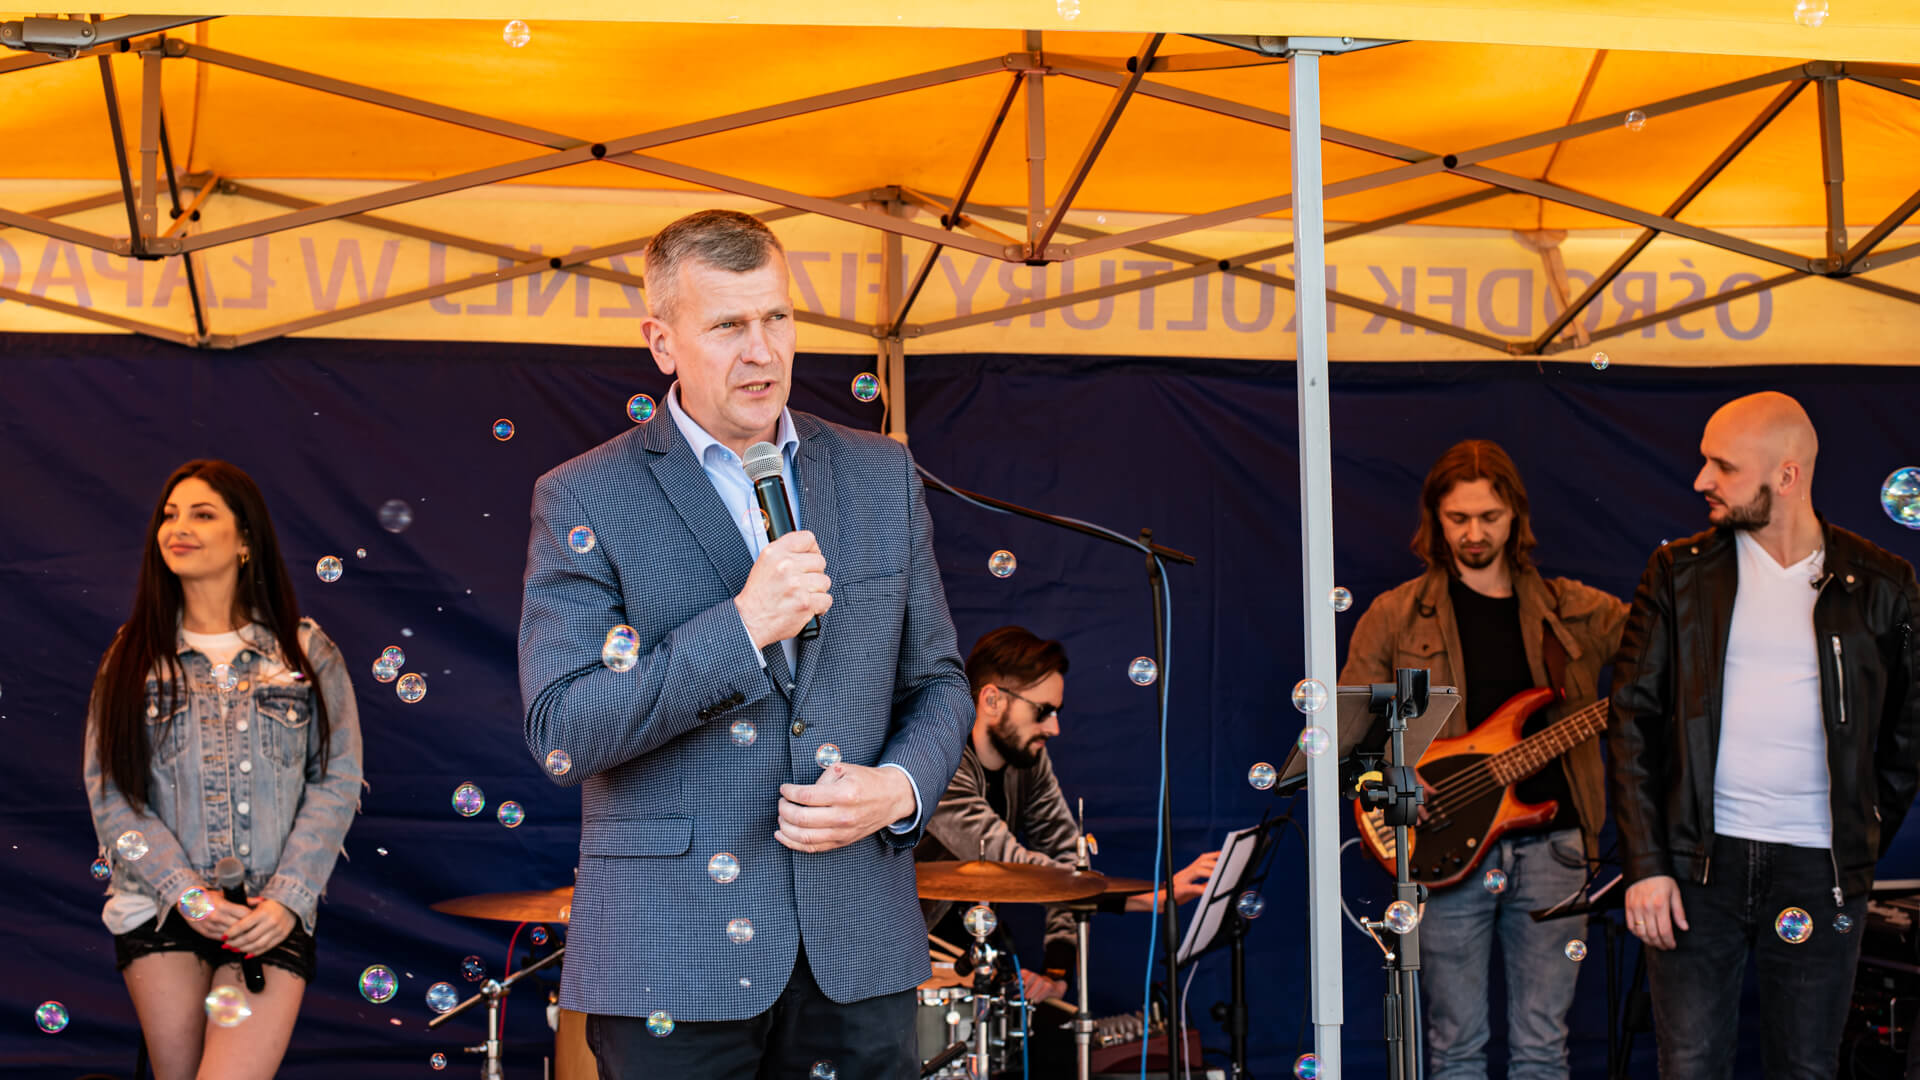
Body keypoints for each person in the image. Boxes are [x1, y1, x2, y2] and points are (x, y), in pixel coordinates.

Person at [520, 209, 974, 1079]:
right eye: (728, 325)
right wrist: (740, 627)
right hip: (671, 955)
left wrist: (899, 787)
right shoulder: (584, 495)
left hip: (857, 946)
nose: (762, 351)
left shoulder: (881, 473)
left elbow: (939, 683)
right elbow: (564, 728)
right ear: (662, 342)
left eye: (777, 317)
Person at [1611, 392, 1920, 1078]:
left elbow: (1910, 735)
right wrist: (1648, 864)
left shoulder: (1883, 584)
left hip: (1821, 871)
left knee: (1807, 1067)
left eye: (1723, 465)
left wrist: (1860, 836)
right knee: (1689, 1066)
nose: (1701, 480)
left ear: (1786, 475)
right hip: (1697, 865)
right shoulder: (1677, 573)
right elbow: (1631, 719)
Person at [1342, 439, 1629, 1080]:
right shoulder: (1394, 616)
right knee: (1456, 1047)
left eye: (1489, 517)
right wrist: (1390, 774)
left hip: (1556, 847)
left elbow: (1662, 644)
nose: (1474, 533)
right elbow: (1347, 733)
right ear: (1434, 519)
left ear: (1516, 516)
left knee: (1543, 1047)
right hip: (1442, 849)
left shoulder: (1571, 608)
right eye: (1458, 518)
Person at [84, 460, 363, 1080]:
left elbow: (336, 782)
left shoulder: (304, 651)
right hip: (159, 910)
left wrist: (287, 901)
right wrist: (186, 893)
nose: (177, 527)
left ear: (245, 541)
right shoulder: (132, 657)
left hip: (267, 913)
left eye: (202, 514)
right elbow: (112, 794)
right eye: (170, 515)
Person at [919, 626, 1219, 1005]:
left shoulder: (1029, 760)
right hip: (904, 957)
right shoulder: (938, 760)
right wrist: (1147, 897)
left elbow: (1065, 857)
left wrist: (1056, 973)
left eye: (1057, 712)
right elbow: (1009, 863)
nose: (1054, 728)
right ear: (992, 700)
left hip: (978, 954)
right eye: (1043, 711)